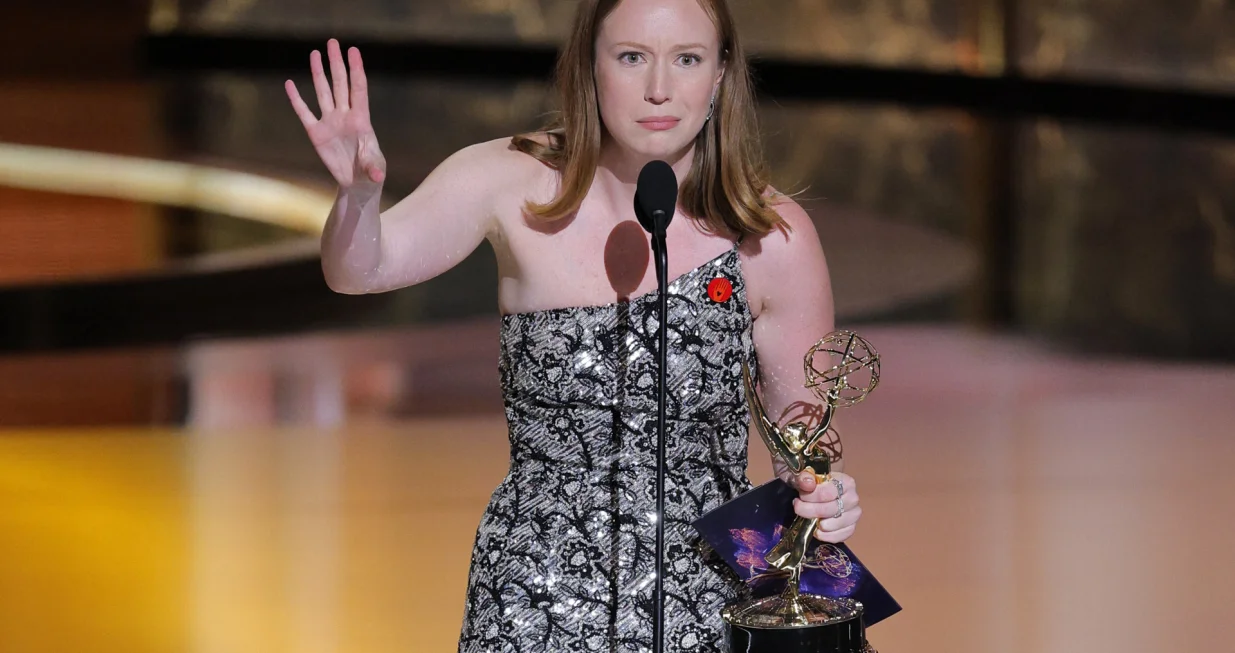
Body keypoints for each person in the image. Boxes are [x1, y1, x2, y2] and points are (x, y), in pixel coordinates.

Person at [285, 0, 864, 650]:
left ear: (722, 74)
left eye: (687, 59)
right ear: (589, 66)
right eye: (631, 57)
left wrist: (825, 495)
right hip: (534, 592)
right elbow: (361, 268)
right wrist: (358, 198)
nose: (658, 87)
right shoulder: (509, 182)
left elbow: (805, 447)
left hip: (703, 601)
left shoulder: (770, 239)